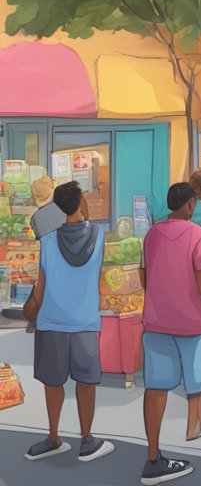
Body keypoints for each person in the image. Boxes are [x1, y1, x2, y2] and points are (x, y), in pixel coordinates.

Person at [21, 181, 115, 464]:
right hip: (85, 322)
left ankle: (53, 437)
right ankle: (87, 440)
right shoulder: (99, 236)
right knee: (86, 383)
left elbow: (40, 289)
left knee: (53, 383)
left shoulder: (48, 242)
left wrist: (32, 316)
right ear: (81, 205)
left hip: (51, 322)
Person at [140, 183, 201, 484]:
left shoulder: (152, 234)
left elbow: (144, 275)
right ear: (189, 205)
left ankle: (152, 455)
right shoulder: (198, 235)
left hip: (157, 322)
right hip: (192, 323)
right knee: (199, 387)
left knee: (156, 389)